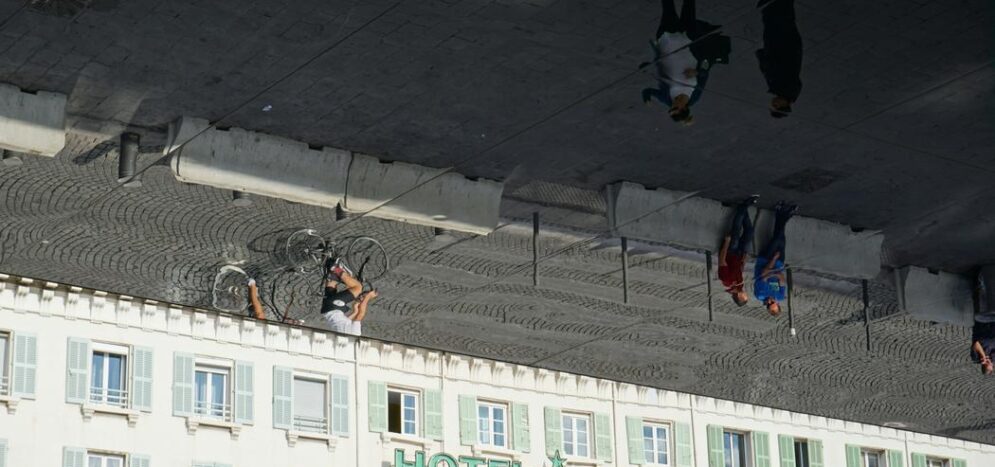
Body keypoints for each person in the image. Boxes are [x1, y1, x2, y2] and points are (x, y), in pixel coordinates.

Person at [640, 0, 731, 125]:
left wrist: (646, 99)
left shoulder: (666, 98)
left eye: (670, 109)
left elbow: (647, 91)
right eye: (674, 108)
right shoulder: (694, 97)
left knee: (668, 7)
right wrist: (696, 72)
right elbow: (704, 74)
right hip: (688, 39)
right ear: (683, 108)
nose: (671, 106)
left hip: (667, 38)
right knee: (689, 6)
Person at [756, 0, 803, 118]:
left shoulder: (785, 90)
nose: (773, 103)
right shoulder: (784, 87)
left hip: (782, 46)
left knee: (780, 21)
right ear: (783, 104)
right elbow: (772, 67)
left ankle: (774, 4)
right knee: (778, 21)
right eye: (775, 106)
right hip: (782, 46)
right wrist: (762, 56)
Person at [754, 201, 797, 315]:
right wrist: (775, 274)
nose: (769, 302)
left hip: (765, 260)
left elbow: (763, 273)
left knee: (777, 238)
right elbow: (782, 281)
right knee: (781, 238)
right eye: (772, 303)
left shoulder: (760, 294)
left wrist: (773, 260)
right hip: (779, 263)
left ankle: (783, 213)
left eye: (768, 305)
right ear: (777, 303)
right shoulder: (779, 296)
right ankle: (784, 214)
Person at [718, 195, 760, 306]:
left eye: (744, 295)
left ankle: (745, 205)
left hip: (731, 252)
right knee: (749, 233)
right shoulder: (739, 286)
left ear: (738, 296)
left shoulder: (726, 281)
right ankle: (742, 208)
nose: (745, 293)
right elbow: (740, 271)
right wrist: (744, 261)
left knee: (736, 230)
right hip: (739, 255)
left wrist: (726, 242)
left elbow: (722, 261)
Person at [320, 260, 377, 336]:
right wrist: (355, 311)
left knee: (357, 287)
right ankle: (324, 257)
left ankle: (335, 268)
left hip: (334, 307)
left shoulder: (355, 335)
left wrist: (368, 296)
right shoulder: (346, 337)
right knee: (332, 280)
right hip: (327, 309)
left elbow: (361, 314)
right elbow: (346, 323)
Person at [972, 266, 995, 375]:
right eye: (992, 365)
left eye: (989, 365)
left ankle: (980, 279)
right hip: (993, 324)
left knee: (981, 300)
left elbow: (976, 343)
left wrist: (982, 355)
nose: (991, 363)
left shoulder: (976, 357)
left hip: (982, 323)